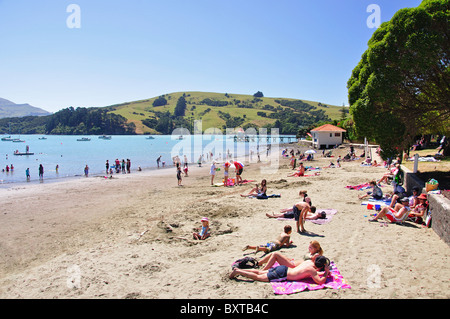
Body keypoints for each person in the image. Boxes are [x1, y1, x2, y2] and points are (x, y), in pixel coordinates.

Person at [229, 255, 330, 285]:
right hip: (283, 274)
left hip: (283, 268)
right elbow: (320, 281)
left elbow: (317, 272)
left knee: (259, 272)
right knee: (258, 277)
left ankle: (238, 270)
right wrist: (326, 273)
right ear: (320, 266)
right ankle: (237, 271)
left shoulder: (308, 263)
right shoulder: (312, 270)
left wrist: (323, 271)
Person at [257, 241, 324, 271]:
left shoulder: (316, 255)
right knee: (274, 254)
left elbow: (318, 264)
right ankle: (259, 263)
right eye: (309, 247)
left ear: (316, 248)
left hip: (293, 266)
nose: (309, 249)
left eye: (310, 248)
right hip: (293, 262)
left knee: (275, 254)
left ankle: (264, 270)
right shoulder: (312, 253)